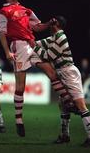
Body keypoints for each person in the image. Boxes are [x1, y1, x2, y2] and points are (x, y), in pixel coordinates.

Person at [0, 0, 78, 137]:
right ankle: (19, 119)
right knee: (20, 86)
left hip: (32, 44)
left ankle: (70, 103)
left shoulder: (26, 10)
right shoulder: (3, 12)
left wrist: (48, 23)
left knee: (51, 72)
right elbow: (2, 33)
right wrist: (7, 51)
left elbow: (37, 27)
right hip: (18, 46)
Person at [32, 15, 90, 147]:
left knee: (81, 106)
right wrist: (27, 38)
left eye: (53, 21)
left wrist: (33, 46)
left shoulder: (60, 37)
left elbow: (48, 56)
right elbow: (37, 43)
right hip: (62, 71)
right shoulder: (54, 37)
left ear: (57, 24)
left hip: (68, 71)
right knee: (63, 105)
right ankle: (65, 136)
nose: (50, 23)